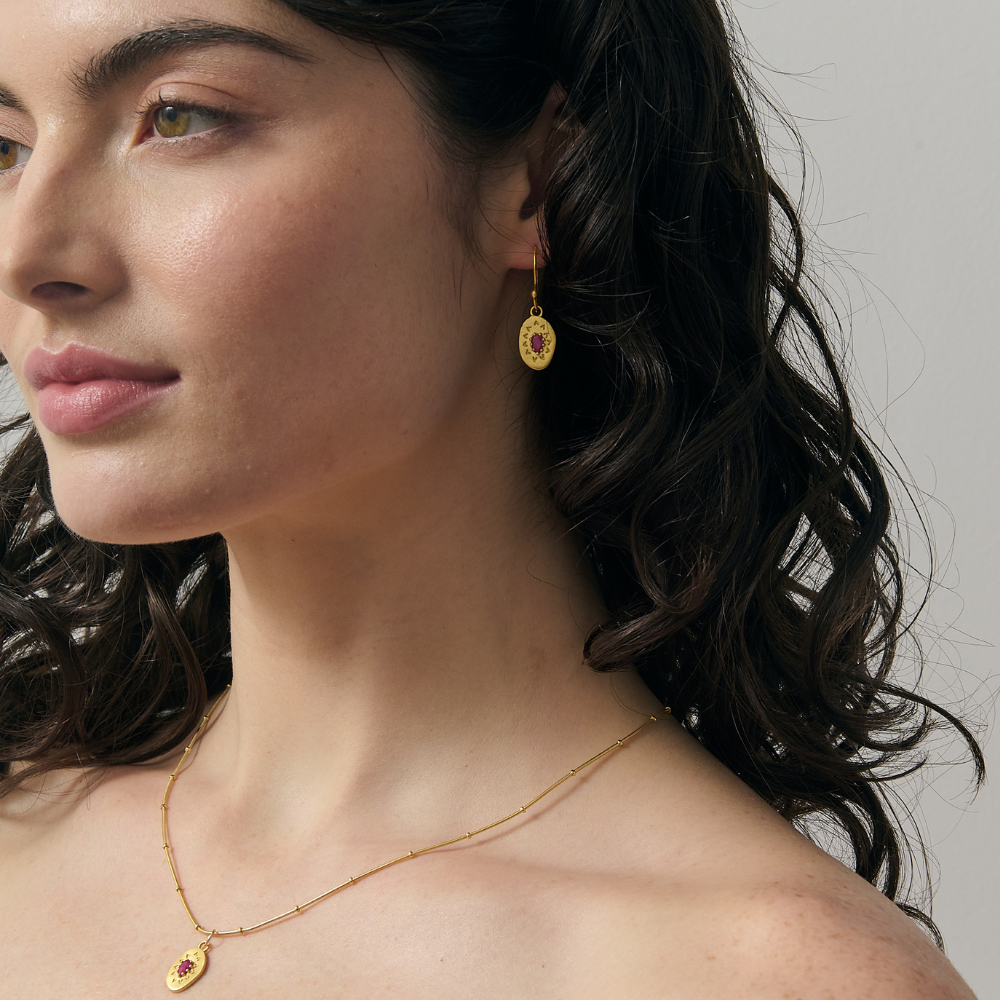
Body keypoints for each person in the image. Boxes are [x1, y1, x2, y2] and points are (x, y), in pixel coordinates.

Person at [0, 0, 983, 996]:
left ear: (539, 179)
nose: (27, 256)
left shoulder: (774, 976)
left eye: (179, 117)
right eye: (6, 148)